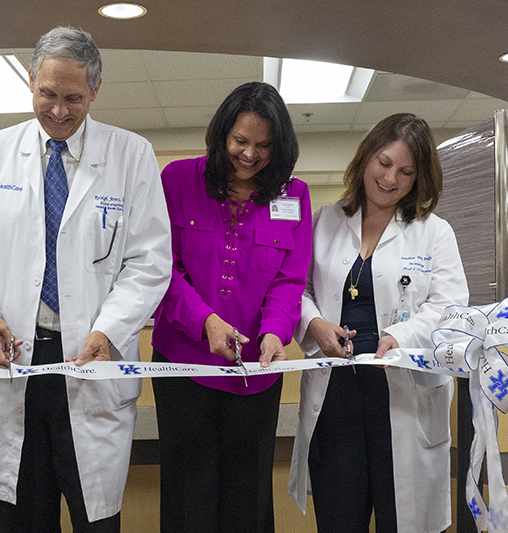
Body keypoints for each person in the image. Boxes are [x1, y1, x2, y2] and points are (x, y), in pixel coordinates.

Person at [0, 26, 171, 533]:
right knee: (21, 518)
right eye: (48, 94)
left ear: (94, 90)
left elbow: (150, 261)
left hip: (91, 360)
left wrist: (108, 330)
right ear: (30, 81)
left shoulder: (131, 155)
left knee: (95, 521)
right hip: (16, 360)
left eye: (74, 97)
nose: (60, 110)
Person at [288, 113, 468, 532]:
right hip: (337, 397)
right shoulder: (325, 221)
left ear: (419, 178)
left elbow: (449, 306)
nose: (391, 178)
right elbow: (296, 287)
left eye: (406, 171)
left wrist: (398, 336)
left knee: (401, 518)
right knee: (339, 518)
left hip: (401, 390)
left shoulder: (433, 233)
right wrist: (314, 324)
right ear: (366, 156)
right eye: (384, 163)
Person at [151, 81, 310, 532]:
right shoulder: (178, 180)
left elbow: (289, 278)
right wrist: (205, 322)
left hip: (254, 375)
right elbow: (163, 268)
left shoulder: (293, 194)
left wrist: (276, 333)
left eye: (263, 145)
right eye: (240, 141)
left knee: (249, 494)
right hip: (184, 367)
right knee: (189, 495)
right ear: (222, 134)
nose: (249, 154)